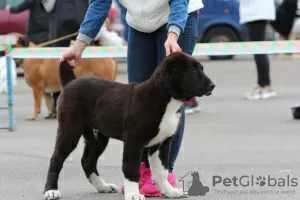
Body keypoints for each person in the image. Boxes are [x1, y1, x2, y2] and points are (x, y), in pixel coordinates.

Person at [61, 0, 203, 197]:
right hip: (139, 23)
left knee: (172, 96)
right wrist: (79, 45)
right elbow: (99, 4)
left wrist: (173, 35)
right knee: (139, 99)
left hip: (178, 18)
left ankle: (164, 174)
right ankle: (142, 171)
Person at [49, 0, 89, 118]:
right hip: (81, 19)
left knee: (60, 65)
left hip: (62, 23)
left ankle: (58, 105)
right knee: (83, 66)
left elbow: (47, 6)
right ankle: (86, 105)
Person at [240, 0, 277, 100]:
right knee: (259, 50)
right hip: (256, 12)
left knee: (258, 50)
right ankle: (265, 84)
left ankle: (263, 85)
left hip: (256, 12)